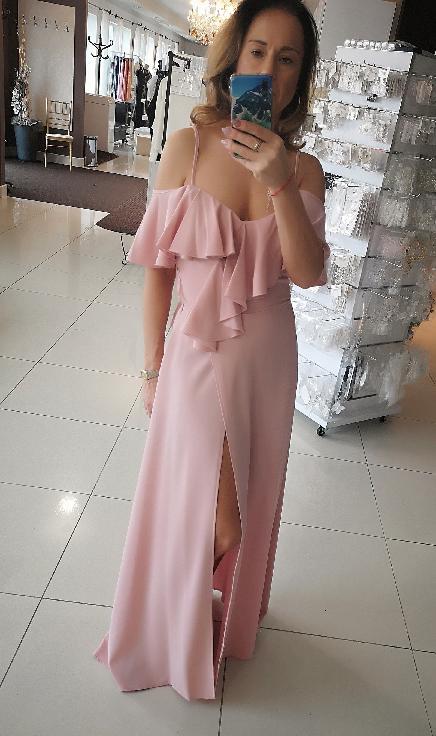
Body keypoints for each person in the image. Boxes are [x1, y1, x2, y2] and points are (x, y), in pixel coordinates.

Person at [93, 0, 330, 702]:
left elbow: (308, 272)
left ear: (300, 76)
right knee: (217, 514)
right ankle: (170, 625)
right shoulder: (188, 147)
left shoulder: (305, 170)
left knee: (248, 503)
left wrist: (279, 179)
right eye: (258, 51)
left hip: (268, 359)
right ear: (233, 60)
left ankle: (207, 620)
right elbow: (158, 270)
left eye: (287, 59)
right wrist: (150, 367)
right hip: (196, 354)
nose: (270, 70)